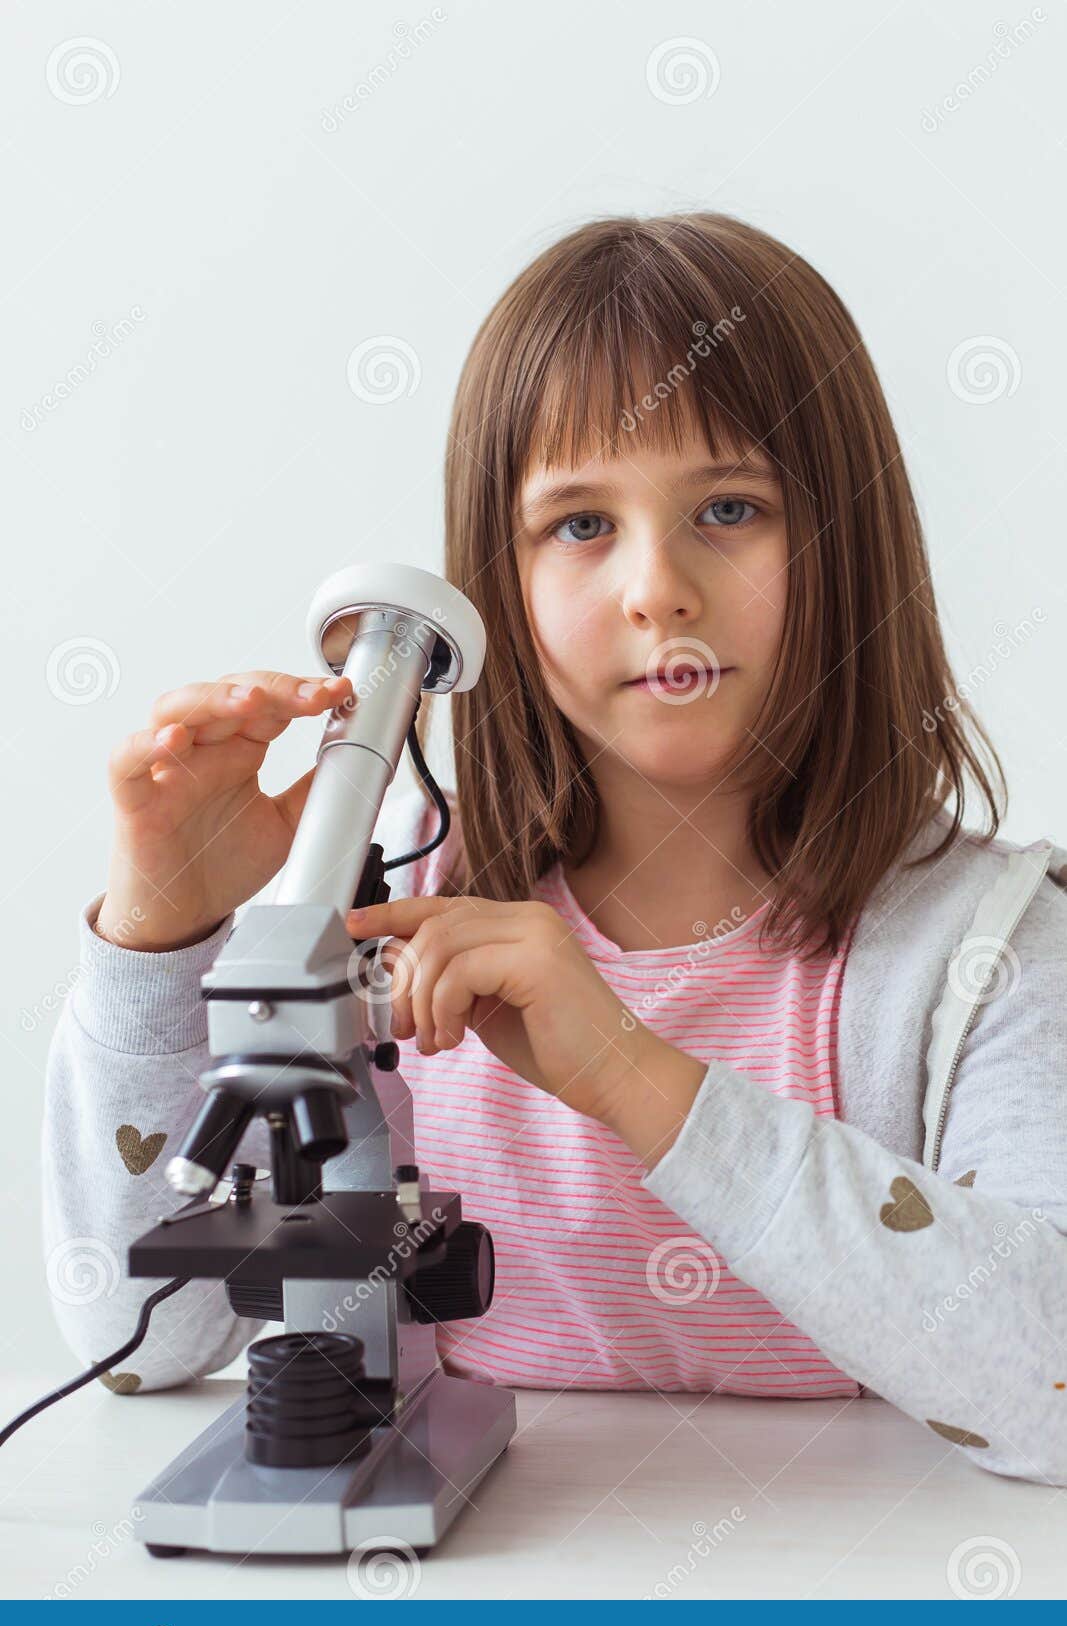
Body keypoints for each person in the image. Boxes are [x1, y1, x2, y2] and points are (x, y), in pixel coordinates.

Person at [41, 212, 1067, 1485]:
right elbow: (137, 1342)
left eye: (729, 508)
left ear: (842, 545)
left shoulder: (981, 951)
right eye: (580, 525)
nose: (656, 588)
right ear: (498, 588)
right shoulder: (399, 901)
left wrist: (634, 1076)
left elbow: (1052, 1389)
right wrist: (161, 932)